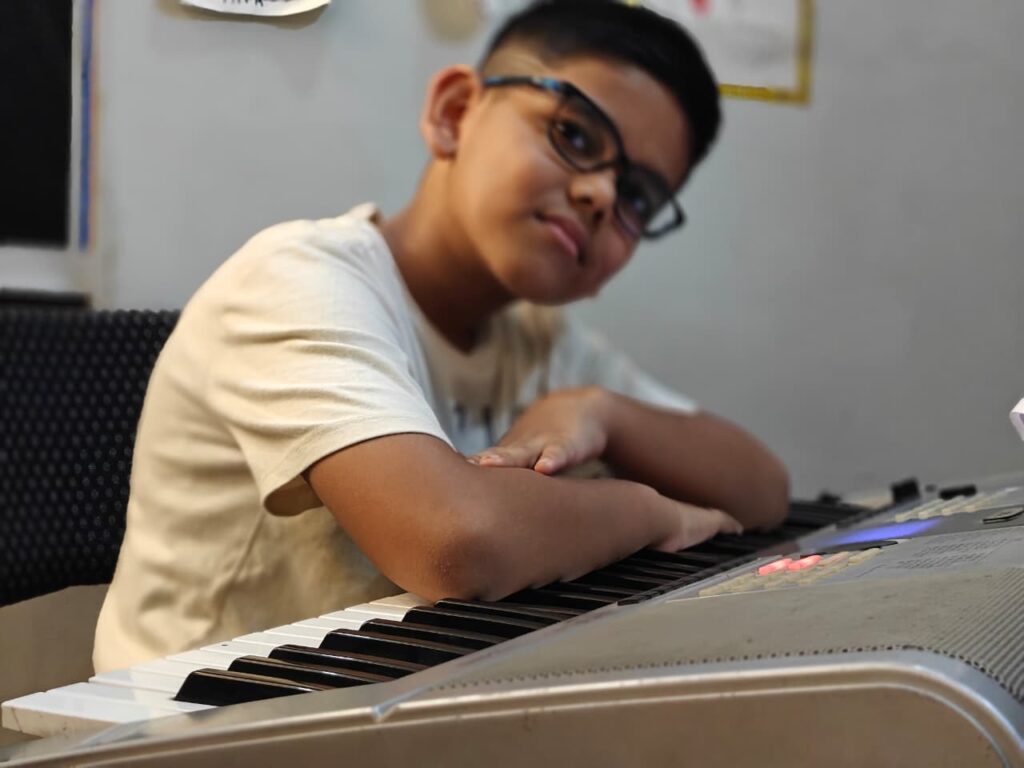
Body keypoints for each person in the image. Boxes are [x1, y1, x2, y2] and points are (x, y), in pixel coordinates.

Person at [93, 0, 789, 673]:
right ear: (455, 113)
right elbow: (457, 543)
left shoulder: (538, 342)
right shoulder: (296, 278)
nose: (603, 195)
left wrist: (601, 412)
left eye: (638, 196)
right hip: (189, 724)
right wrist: (648, 511)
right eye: (575, 136)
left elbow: (763, 489)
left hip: (387, 701)